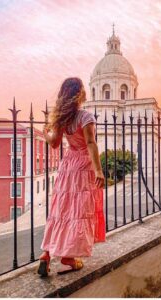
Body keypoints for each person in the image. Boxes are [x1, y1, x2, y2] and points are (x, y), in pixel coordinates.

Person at [37, 77, 106, 277]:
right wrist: (99, 171)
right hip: (83, 166)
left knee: (61, 210)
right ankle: (69, 256)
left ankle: (46, 254)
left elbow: (54, 143)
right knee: (78, 211)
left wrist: (45, 132)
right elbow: (91, 143)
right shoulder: (85, 117)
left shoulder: (62, 120)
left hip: (68, 166)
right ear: (80, 94)